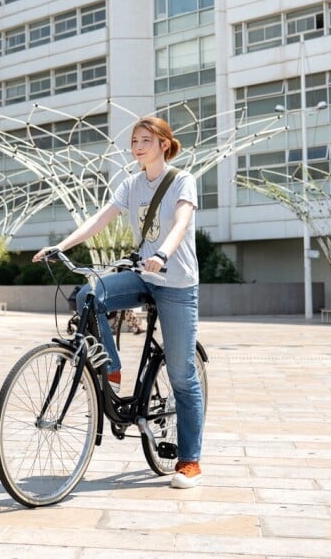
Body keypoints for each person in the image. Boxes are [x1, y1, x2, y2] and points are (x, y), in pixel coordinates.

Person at [32, 116, 204, 489]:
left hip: (176, 283)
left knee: (181, 376)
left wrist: (162, 253)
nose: (138, 146)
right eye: (134, 141)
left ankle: (189, 461)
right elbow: (100, 219)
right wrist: (60, 247)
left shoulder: (182, 180)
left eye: (146, 139)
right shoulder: (131, 185)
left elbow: (180, 222)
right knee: (89, 293)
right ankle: (111, 365)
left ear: (163, 143)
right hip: (143, 275)